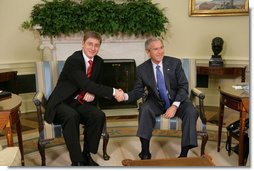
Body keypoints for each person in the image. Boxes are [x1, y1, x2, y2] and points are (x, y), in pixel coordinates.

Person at [45, 31, 122, 166]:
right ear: (83, 44)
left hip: (77, 102)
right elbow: (85, 83)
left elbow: (97, 85)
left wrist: (93, 93)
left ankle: (87, 155)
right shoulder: (73, 60)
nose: (93, 48)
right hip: (61, 102)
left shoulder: (98, 62)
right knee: (71, 116)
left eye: (96, 45)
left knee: (98, 115)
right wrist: (114, 92)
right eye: (90, 44)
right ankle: (77, 161)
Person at [115, 37, 199, 159]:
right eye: (156, 49)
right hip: (156, 102)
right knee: (144, 109)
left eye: (161, 48)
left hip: (177, 100)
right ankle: (145, 153)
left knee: (191, 111)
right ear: (148, 52)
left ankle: (183, 155)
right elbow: (138, 91)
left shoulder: (175, 63)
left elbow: (183, 86)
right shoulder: (141, 69)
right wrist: (125, 96)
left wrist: (174, 106)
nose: (160, 52)